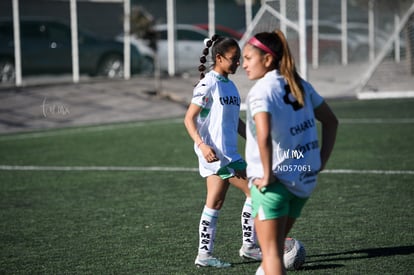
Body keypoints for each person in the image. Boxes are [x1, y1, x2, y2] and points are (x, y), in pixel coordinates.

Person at [242, 30, 338, 275]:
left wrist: (266, 174)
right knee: (270, 257)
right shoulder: (300, 84)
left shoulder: (262, 90)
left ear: (267, 60)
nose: (243, 64)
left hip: (275, 183)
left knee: (272, 255)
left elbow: (263, 135)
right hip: (303, 179)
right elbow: (331, 121)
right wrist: (321, 161)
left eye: (248, 58)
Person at [184, 34, 262, 268]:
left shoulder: (230, 85)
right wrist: (202, 145)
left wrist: (254, 139)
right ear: (218, 58)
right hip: (216, 155)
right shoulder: (208, 84)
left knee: (214, 203)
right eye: (234, 59)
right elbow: (189, 119)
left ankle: (204, 256)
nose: (238, 63)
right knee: (257, 191)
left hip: (228, 154)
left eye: (239, 59)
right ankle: (249, 247)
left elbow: (233, 120)